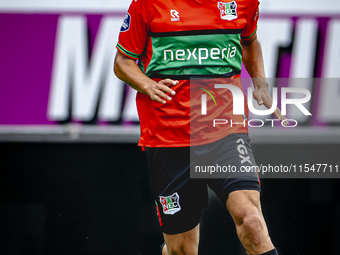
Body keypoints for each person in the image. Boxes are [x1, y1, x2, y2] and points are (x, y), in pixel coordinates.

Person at [114, 0, 287, 254]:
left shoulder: (243, 3)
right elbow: (123, 62)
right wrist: (148, 84)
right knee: (181, 249)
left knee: (251, 220)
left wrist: (259, 80)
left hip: (225, 130)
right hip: (170, 138)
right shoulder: (147, 4)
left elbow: (250, 41)